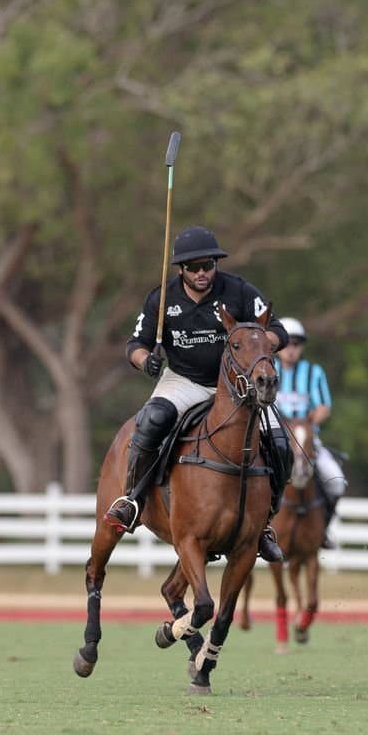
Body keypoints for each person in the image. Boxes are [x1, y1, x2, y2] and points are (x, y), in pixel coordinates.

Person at [103, 225, 289, 562]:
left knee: (279, 442)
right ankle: (133, 499)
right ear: (181, 269)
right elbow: (135, 345)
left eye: (208, 265)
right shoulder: (162, 299)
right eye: (193, 267)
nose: (202, 273)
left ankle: (264, 522)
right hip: (184, 381)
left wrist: (258, 344)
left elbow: (278, 332)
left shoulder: (239, 291)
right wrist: (147, 363)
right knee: (151, 421)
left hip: (236, 389)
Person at [274, 316, 348, 548]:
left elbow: (324, 407)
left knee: (336, 481)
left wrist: (304, 424)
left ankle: (322, 530)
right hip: (272, 440)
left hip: (307, 440)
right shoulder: (266, 369)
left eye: (297, 343)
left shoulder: (313, 372)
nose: (291, 349)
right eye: (287, 343)